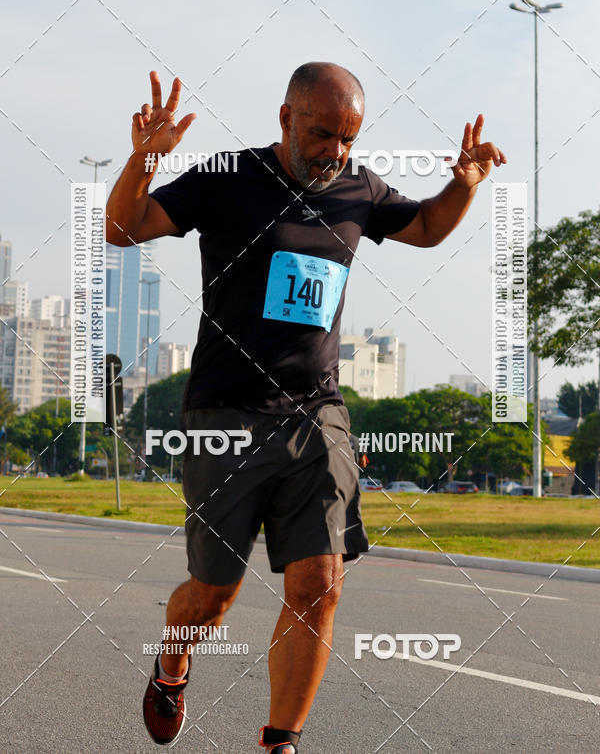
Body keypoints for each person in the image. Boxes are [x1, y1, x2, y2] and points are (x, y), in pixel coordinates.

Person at [106, 62, 506, 752]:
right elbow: (123, 227)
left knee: (321, 582)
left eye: (348, 138)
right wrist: (144, 159)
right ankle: (174, 661)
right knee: (213, 593)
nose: (335, 152)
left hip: (317, 411)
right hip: (225, 414)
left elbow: (426, 227)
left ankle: (280, 741)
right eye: (323, 135)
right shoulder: (228, 177)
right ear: (286, 118)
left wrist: (463, 185)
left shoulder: (358, 189)